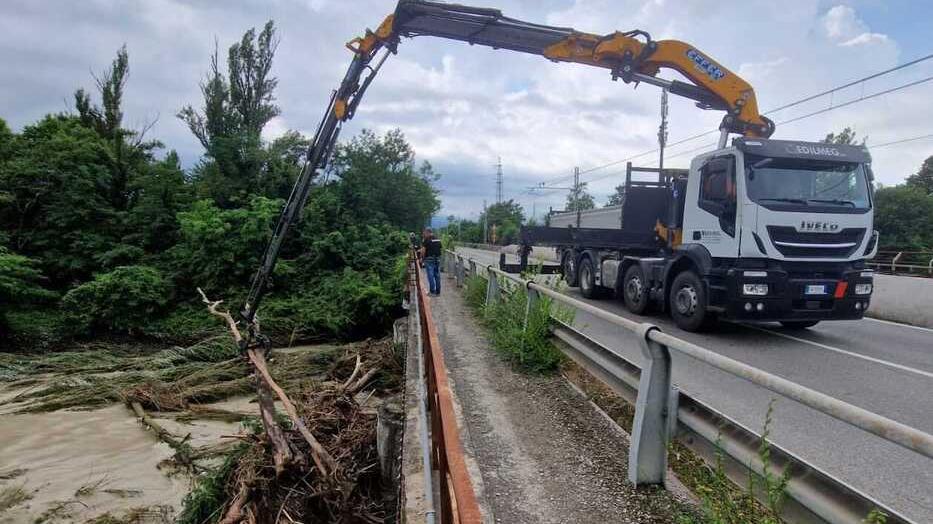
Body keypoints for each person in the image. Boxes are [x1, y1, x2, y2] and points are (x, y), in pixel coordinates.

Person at [420, 228, 442, 295]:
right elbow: (440, 248)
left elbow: (423, 251)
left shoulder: (426, 240)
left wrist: (422, 258)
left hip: (429, 259)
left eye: (425, 233)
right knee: (437, 275)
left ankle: (432, 291)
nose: (424, 235)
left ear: (428, 232)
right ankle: (438, 292)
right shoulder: (438, 239)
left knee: (430, 275)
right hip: (437, 259)